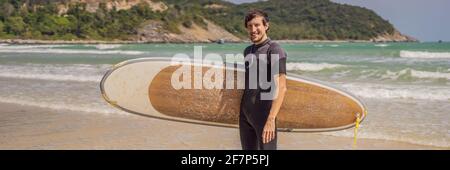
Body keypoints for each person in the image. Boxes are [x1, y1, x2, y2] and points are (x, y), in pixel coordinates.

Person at [239, 9, 288, 150]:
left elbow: (281, 87)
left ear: (266, 26)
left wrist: (271, 119)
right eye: (249, 26)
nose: (253, 29)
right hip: (245, 115)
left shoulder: (274, 50)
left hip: (264, 115)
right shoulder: (247, 51)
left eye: (257, 25)